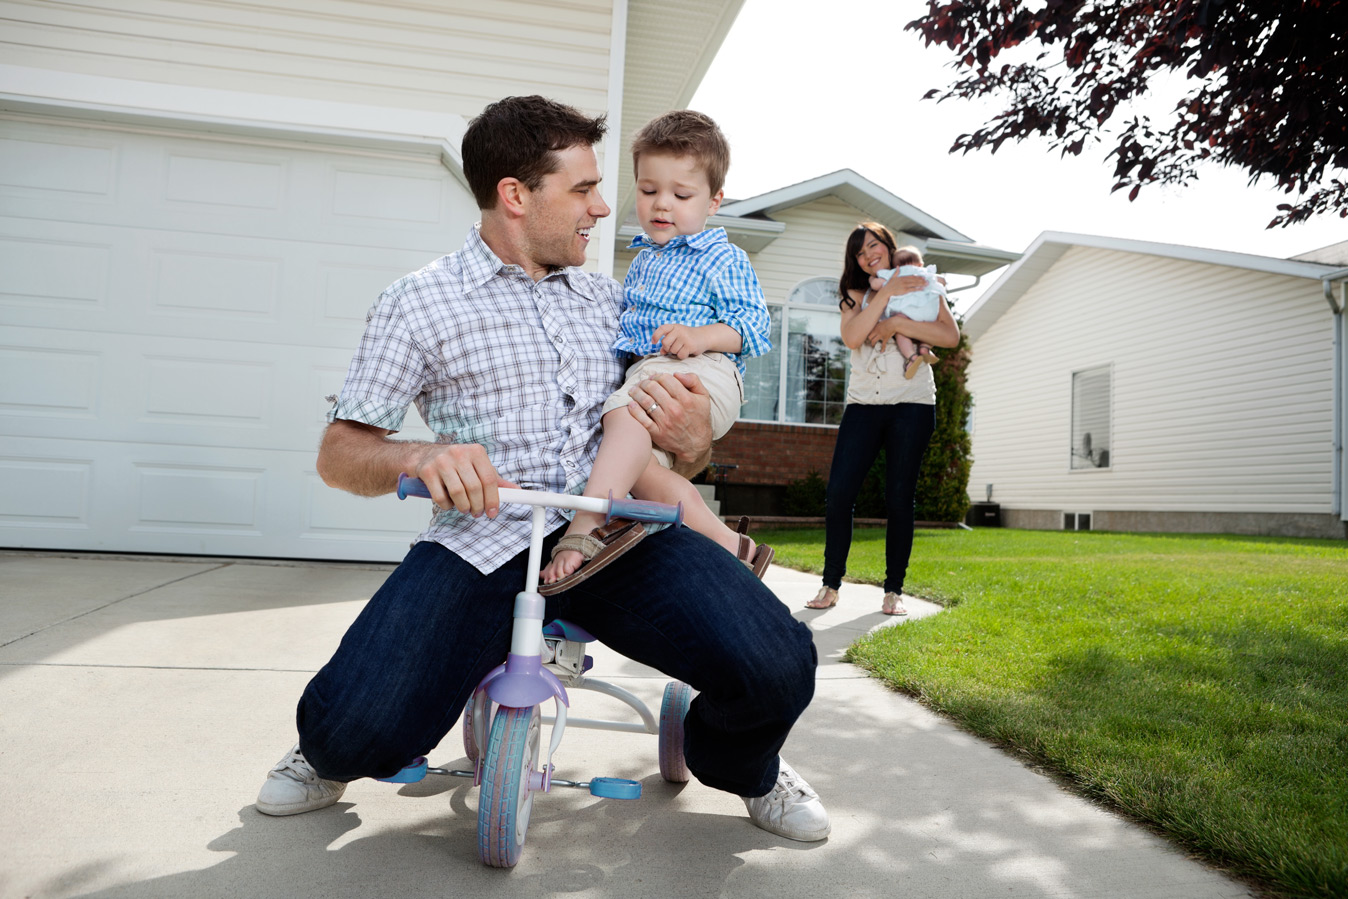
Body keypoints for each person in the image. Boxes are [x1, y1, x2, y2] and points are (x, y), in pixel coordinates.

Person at [254, 95, 830, 844]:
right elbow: (341, 452)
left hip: (616, 535)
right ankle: (326, 751)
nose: (603, 206)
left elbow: (674, 438)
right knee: (353, 727)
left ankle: (746, 766)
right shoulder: (418, 302)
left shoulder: (616, 299)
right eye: (584, 189)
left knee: (779, 662)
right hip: (482, 541)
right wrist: (421, 455)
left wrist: (693, 440)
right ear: (516, 195)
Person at [540, 110, 774, 590]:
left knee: (622, 418)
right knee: (638, 469)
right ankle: (736, 548)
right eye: (649, 191)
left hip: (703, 368)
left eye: (681, 195)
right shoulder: (647, 256)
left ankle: (584, 527)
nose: (662, 204)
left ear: (714, 201)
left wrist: (701, 335)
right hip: (656, 367)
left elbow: (753, 327)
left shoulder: (721, 256)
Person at [805, 223, 960, 616]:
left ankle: (894, 590)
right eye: (860, 251)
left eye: (874, 245)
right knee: (840, 493)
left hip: (912, 402)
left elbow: (949, 335)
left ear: (890, 248)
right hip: (864, 404)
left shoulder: (923, 283)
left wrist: (894, 324)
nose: (868, 254)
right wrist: (886, 293)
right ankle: (830, 584)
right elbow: (855, 336)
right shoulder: (854, 296)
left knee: (898, 498)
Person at [868, 245, 944, 379]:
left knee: (900, 330)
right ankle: (925, 348)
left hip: (905, 314)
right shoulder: (925, 272)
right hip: (927, 313)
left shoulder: (894, 274)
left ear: (895, 266)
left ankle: (912, 357)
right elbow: (942, 281)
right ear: (920, 264)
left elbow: (876, 285)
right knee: (930, 327)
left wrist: (871, 279)